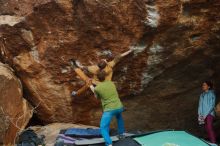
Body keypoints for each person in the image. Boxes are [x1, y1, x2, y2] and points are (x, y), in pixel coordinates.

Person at [89, 70, 125, 146]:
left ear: (97, 79)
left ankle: (109, 143)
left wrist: (91, 86)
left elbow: (97, 97)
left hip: (109, 109)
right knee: (119, 118)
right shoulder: (112, 83)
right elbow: (106, 87)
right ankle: (121, 134)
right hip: (119, 106)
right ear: (105, 76)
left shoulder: (97, 88)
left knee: (103, 127)